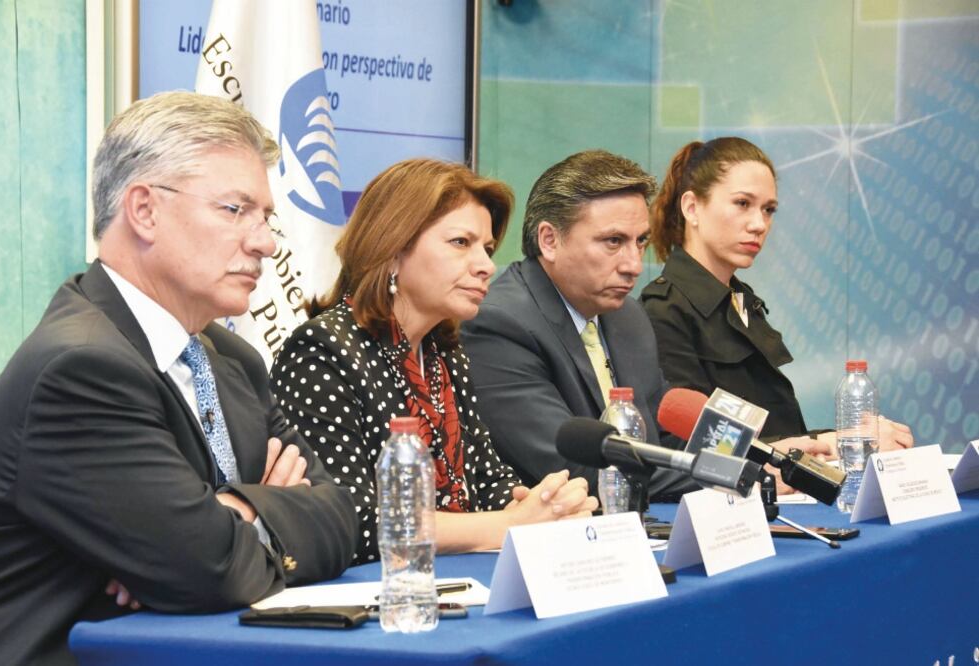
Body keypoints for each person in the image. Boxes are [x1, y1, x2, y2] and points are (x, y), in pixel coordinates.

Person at [0, 92, 357, 665]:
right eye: (235, 210)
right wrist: (245, 526)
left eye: (267, 217)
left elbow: (341, 516)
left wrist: (237, 517)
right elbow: (208, 568)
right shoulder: (78, 369)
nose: (265, 242)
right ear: (144, 210)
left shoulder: (232, 359)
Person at [270, 158, 597, 566]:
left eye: (488, 248)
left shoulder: (443, 353)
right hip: (378, 596)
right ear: (392, 247)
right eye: (461, 242)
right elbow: (353, 520)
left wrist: (547, 506)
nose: (486, 266)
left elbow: (487, 481)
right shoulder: (322, 351)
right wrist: (509, 525)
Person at [640, 136, 913, 453]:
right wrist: (834, 442)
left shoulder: (742, 300)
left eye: (769, 210)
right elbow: (690, 448)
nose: (759, 224)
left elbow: (779, 434)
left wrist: (851, 438)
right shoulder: (663, 310)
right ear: (692, 207)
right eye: (743, 203)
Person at [460, 150, 696, 501]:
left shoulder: (627, 316)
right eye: (614, 242)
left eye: (640, 241)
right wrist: (724, 476)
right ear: (550, 240)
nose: (634, 264)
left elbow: (662, 436)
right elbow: (581, 469)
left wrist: (761, 457)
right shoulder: (498, 323)